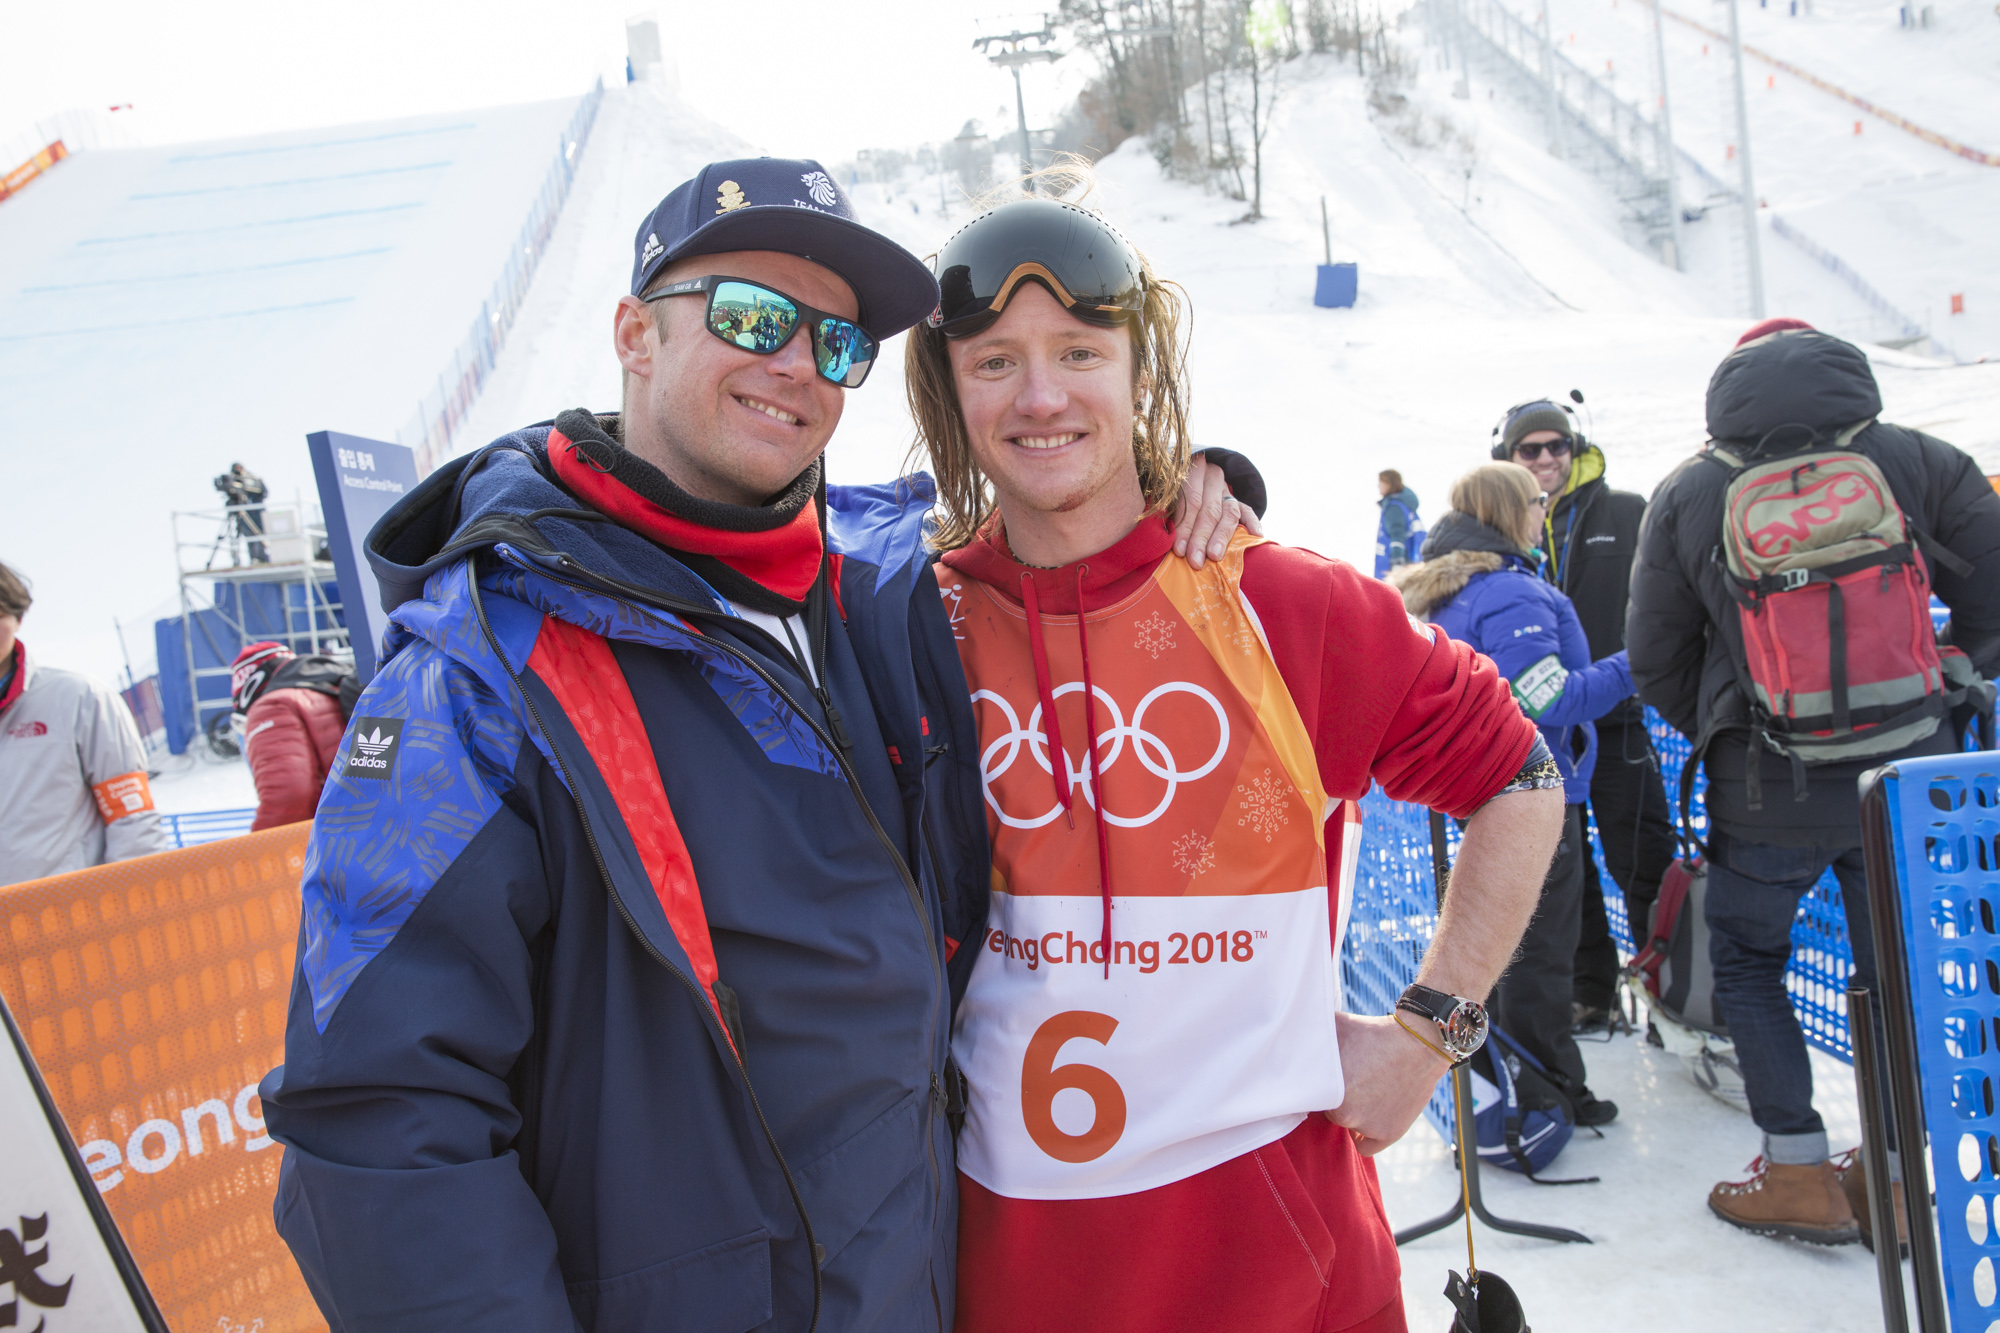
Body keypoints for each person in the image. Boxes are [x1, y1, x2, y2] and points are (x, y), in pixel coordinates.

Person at [258, 157, 1252, 1332]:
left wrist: (1184, 486)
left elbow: (1056, 529)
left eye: (837, 342)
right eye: (750, 315)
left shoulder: (883, 595)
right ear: (634, 332)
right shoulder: (480, 672)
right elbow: (382, 1120)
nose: (797, 363)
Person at [901, 187, 1566, 1333]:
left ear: (1138, 370)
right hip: (1009, 1278)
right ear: (947, 390)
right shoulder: (908, 623)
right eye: (995, 360)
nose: (1043, 394)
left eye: (1077, 351)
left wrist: (1428, 1033)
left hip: (1285, 1277)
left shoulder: (1275, 600)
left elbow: (1520, 779)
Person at [1628, 318, 2000, 1245]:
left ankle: (1796, 1172)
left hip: (1765, 792)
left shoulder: (1691, 491)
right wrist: (1946, 683)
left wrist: (1731, 733)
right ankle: (1894, 1179)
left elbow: (1654, 658)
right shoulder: (1916, 460)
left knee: (1752, 963)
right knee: (1893, 974)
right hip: (1908, 779)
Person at [1391, 463, 1635, 1128]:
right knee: (1536, 953)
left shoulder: (1457, 585)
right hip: (1530, 791)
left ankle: (1512, 1085)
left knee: (1502, 951)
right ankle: (1547, 1094)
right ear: (1510, 511)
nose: (1543, 511)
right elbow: (1546, 696)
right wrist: (1636, 660)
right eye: (1535, 501)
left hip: (1478, 792)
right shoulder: (1512, 593)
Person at [1492, 399, 1676, 1026]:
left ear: (1575, 448)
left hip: (1616, 718)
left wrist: (1651, 665)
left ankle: (1668, 993)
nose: (1546, 459)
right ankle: (1591, 992)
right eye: (1530, 449)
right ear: (1509, 458)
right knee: (1570, 876)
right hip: (1550, 737)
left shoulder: (1623, 512)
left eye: (1556, 446)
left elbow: (1668, 591)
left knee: (1643, 859)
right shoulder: (1508, 526)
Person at [0, 561, 169, 887]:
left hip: (63, 917)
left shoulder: (80, 699)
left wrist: (131, 909)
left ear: (18, 618)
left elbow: (131, 818)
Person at [229, 641, 354, 831]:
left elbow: (289, 798)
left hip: (351, 836)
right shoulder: (335, 686)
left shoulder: (272, 706)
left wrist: (257, 854)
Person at [1373, 469, 1422, 578]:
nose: (1378, 486)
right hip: (1411, 560)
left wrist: (1397, 562)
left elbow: (1397, 533)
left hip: (1399, 563)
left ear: (1389, 484)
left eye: (1381, 482)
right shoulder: (1403, 504)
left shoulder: (1394, 507)